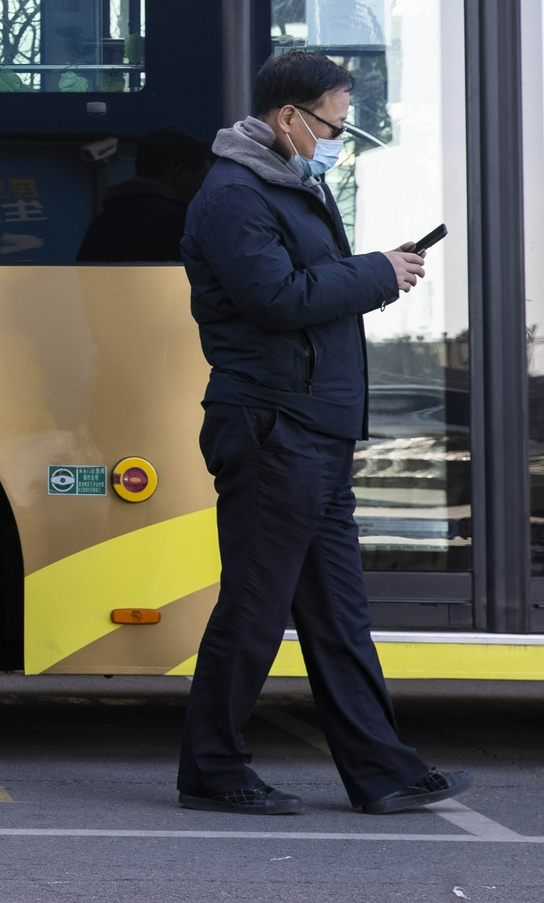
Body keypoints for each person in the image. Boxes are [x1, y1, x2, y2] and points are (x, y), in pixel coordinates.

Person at [177, 52, 469, 816]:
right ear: (290, 119)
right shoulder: (236, 196)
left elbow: (304, 291)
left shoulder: (285, 182)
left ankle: (383, 771)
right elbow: (277, 297)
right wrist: (379, 273)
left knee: (338, 614)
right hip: (276, 427)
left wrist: (377, 270)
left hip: (313, 428)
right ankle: (212, 768)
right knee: (253, 606)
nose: (340, 138)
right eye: (336, 124)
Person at [76, 129, 213, 262]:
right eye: (204, 179)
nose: (207, 190)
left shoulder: (103, 221)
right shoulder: (182, 224)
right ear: (181, 174)